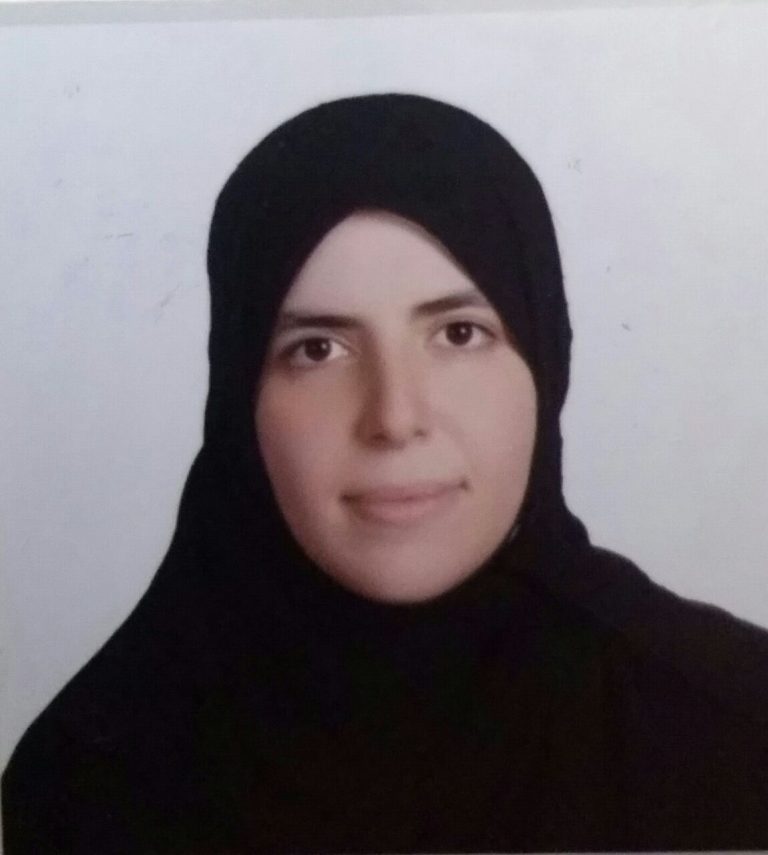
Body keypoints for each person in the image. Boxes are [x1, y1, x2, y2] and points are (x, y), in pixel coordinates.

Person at [3, 92, 768, 854]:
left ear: (545, 362)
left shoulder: (732, 725)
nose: (395, 417)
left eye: (459, 333)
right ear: (238, 397)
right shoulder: (87, 777)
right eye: (318, 349)